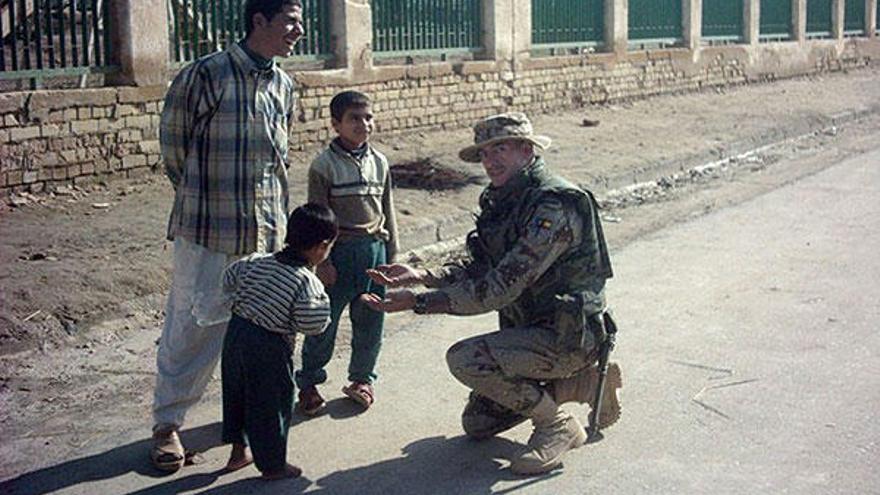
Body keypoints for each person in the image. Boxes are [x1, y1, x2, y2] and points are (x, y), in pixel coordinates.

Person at [363, 112, 622, 475]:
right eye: (483, 154)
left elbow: (500, 287)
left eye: (499, 148)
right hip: (530, 330)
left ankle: (556, 424)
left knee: (465, 360)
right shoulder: (505, 199)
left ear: (526, 149)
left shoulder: (553, 205)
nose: (490, 161)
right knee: (479, 423)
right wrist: (423, 276)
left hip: (567, 336)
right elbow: (482, 267)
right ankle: (582, 383)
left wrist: (420, 304)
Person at [152, 0, 304, 472]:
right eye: (290, 21)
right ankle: (167, 425)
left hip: (265, 235)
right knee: (191, 327)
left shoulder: (284, 83)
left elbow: (279, 160)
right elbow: (173, 147)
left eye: (300, 22)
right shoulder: (206, 74)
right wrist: (204, 199)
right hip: (207, 229)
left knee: (259, 338)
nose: (298, 31)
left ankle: (247, 433)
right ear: (259, 21)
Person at [295, 91, 399, 415]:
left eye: (368, 117)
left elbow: (388, 210)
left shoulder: (379, 161)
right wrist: (322, 261)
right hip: (337, 254)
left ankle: (362, 380)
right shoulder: (323, 165)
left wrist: (392, 254)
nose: (363, 124)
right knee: (323, 322)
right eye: (354, 118)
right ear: (336, 124)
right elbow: (318, 216)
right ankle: (310, 383)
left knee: (371, 320)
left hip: (373, 251)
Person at [220, 203, 336, 480]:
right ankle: (273, 465)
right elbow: (313, 323)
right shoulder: (305, 282)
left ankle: (239, 452)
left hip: (236, 335)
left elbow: (228, 279)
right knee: (271, 405)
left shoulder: (257, 261)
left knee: (238, 394)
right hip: (268, 346)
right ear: (321, 247)